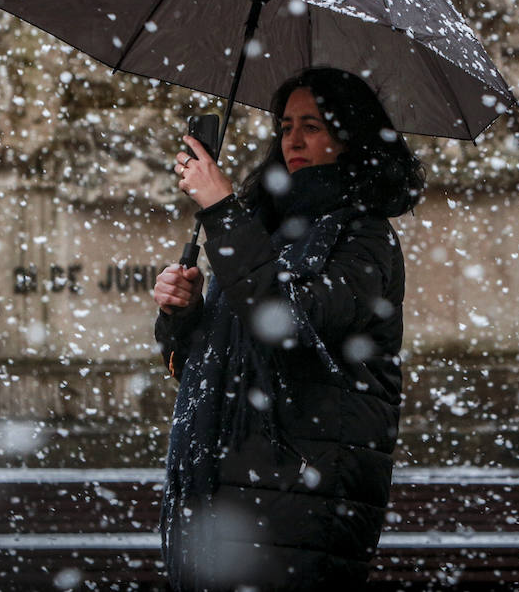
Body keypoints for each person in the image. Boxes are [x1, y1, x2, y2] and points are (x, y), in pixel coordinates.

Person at [152, 67, 424, 591]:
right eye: (285, 126)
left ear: (350, 138)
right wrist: (181, 316)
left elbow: (288, 327)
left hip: (301, 491)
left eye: (313, 126)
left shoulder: (364, 237)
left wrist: (221, 211)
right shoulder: (264, 228)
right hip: (227, 486)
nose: (293, 139)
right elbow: (203, 365)